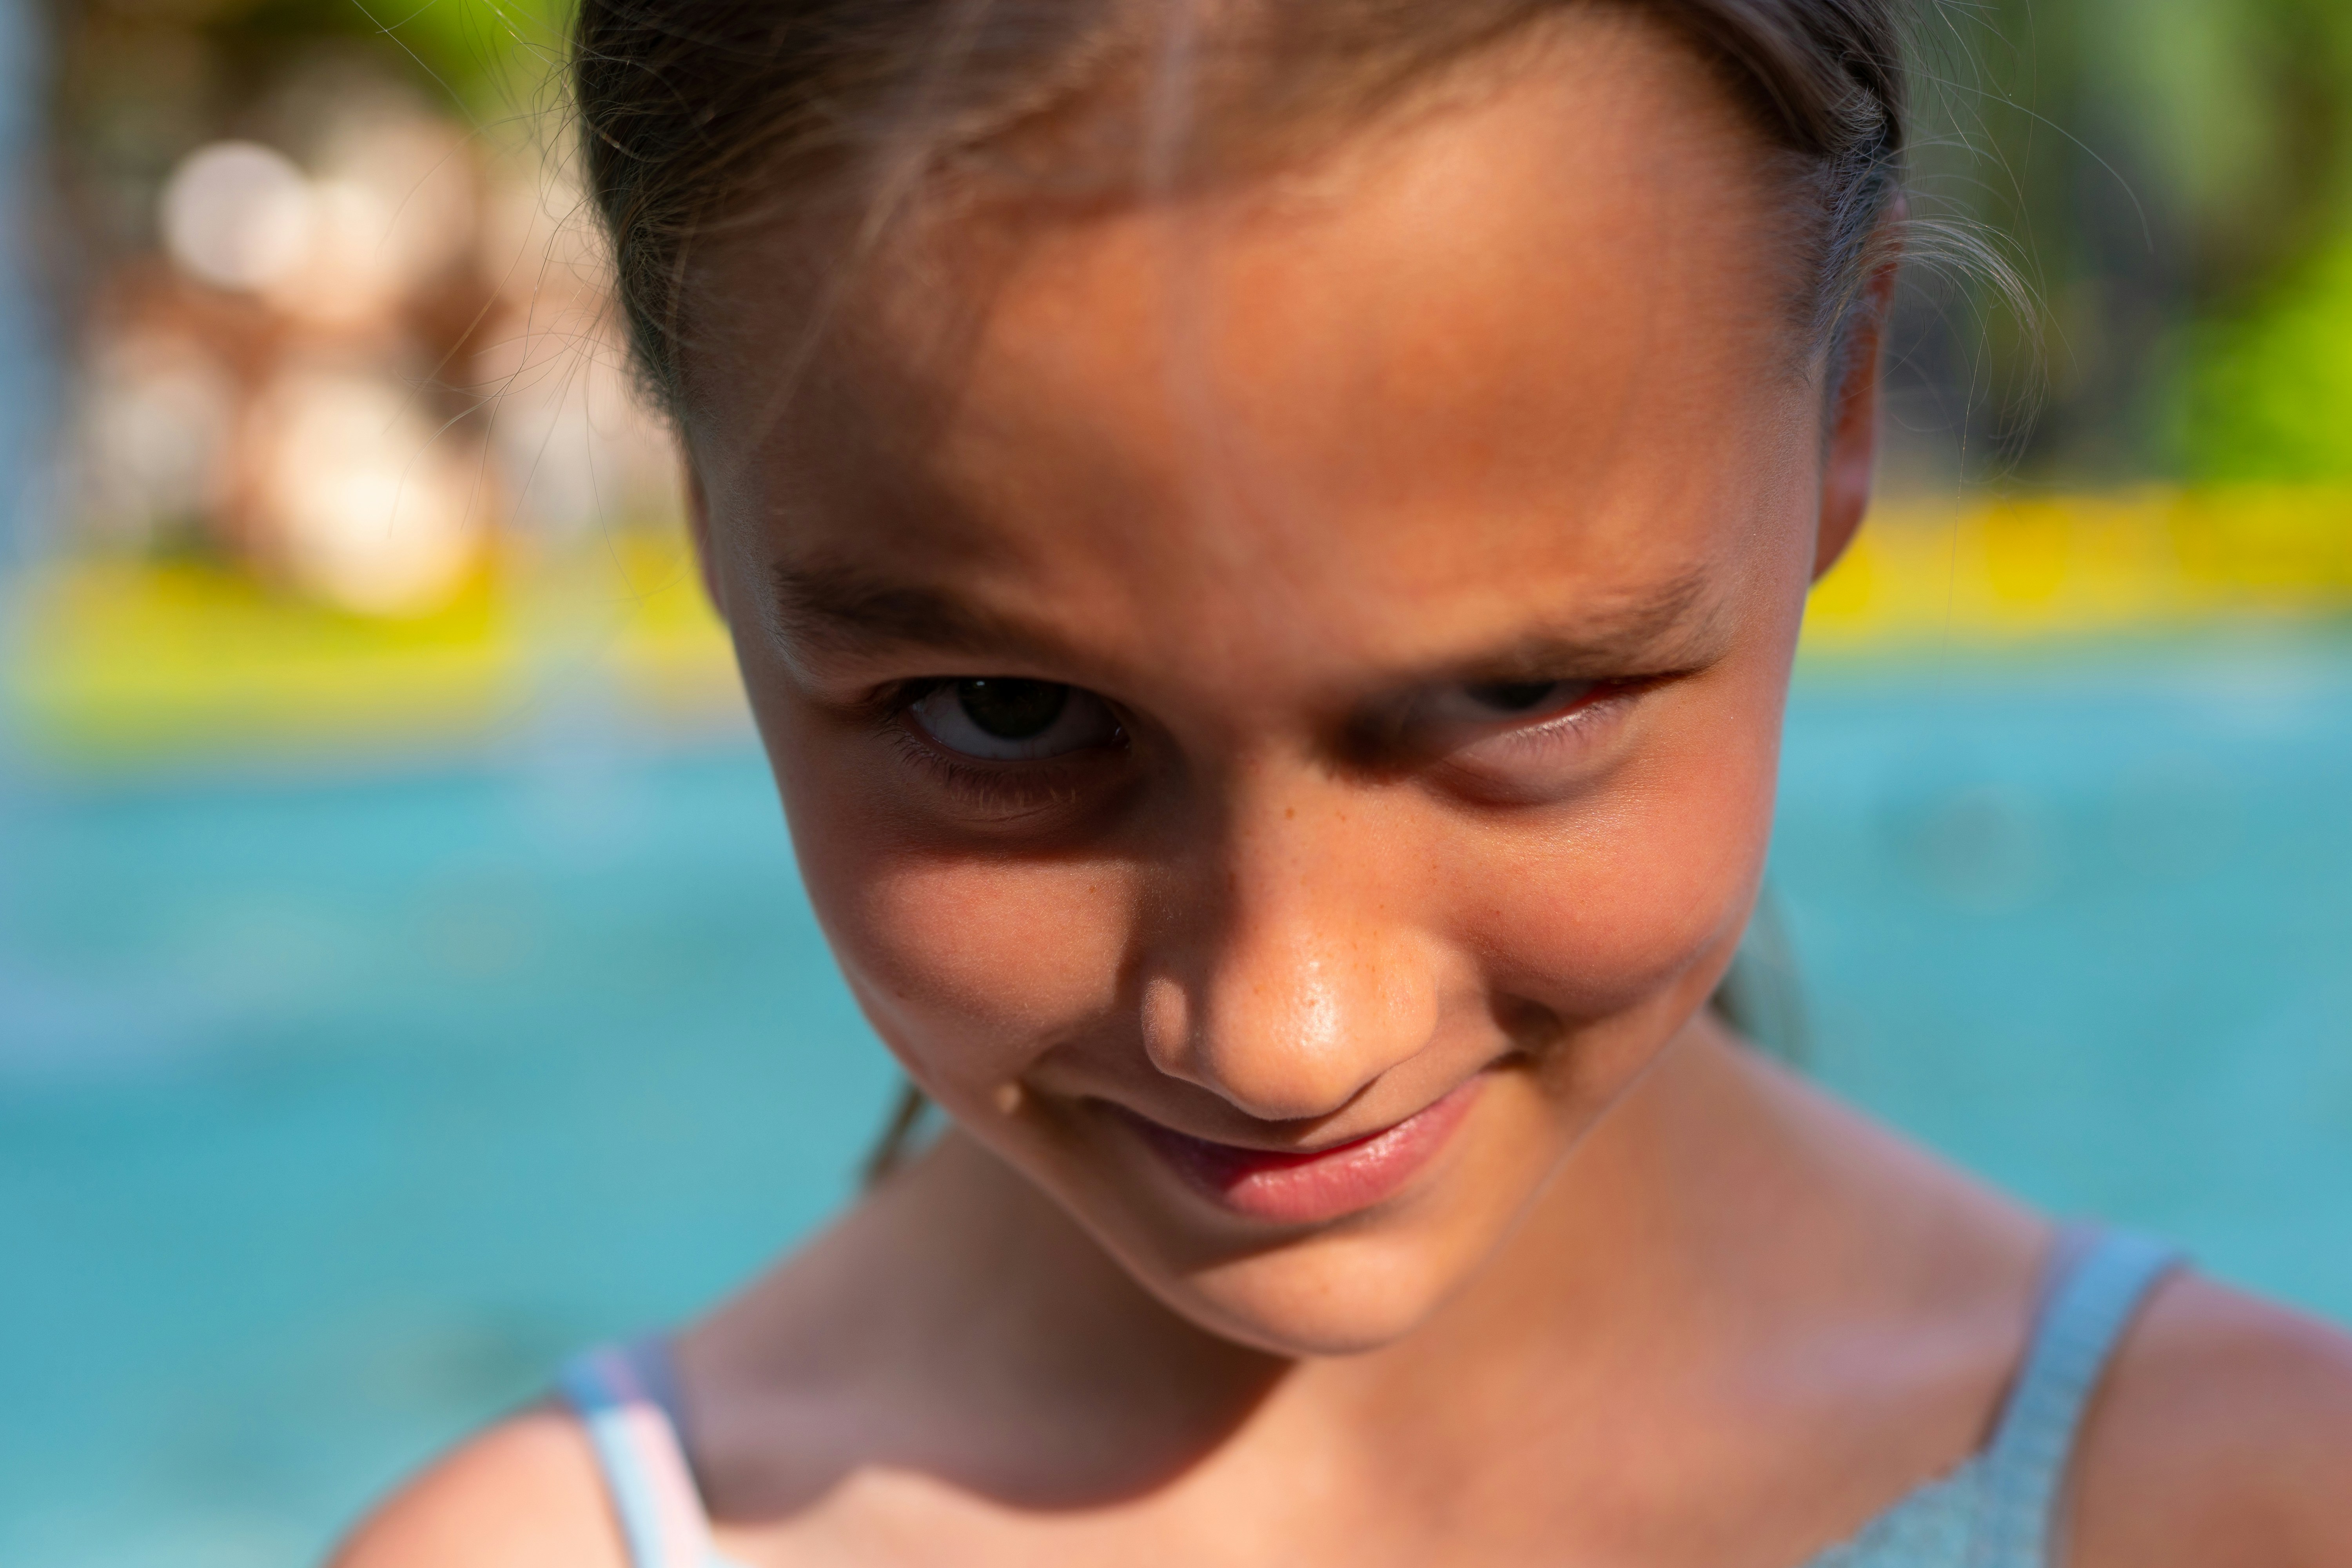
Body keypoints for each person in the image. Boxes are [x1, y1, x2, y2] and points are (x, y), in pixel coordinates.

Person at [335, 2, 2352, 1564]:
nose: (1286, 1031)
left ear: (1839, 406)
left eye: (1524, 692)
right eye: (1011, 718)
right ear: (710, 512)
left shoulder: (2244, 1510)